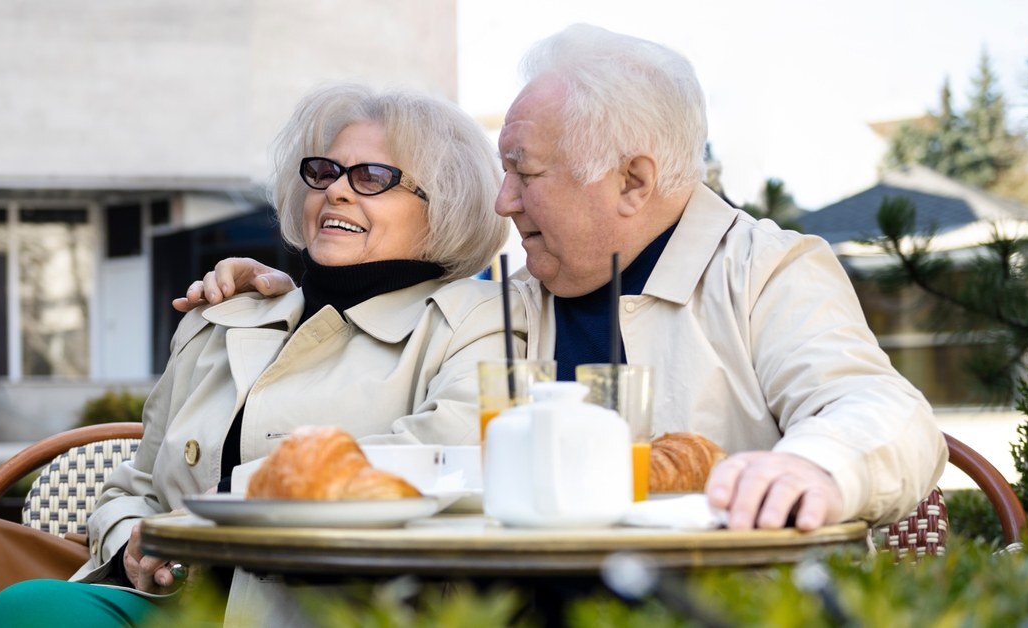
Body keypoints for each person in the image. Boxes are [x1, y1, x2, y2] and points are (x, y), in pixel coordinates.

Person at [180, 24, 948, 533]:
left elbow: (879, 408)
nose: (501, 199)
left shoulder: (766, 273)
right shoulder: (496, 305)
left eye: (524, 171)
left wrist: (814, 464)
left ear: (632, 181)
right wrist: (277, 298)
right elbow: (374, 341)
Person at [0, 82, 522, 627]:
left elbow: (437, 461)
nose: (335, 191)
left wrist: (219, 511)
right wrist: (131, 547)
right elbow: (132, 487)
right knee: (27, 609)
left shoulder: (476, 320)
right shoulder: (221, 317)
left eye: (372, 178)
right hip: (180, 609)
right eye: (323, 172)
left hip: (335, 616)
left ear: (445, 204)